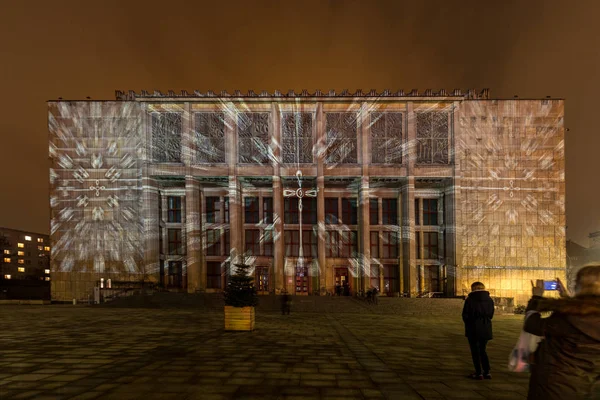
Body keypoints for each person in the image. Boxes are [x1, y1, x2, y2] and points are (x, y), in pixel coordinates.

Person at [524, 266, 600, 400]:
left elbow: (532, 325)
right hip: (590, 384)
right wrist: (566, 298)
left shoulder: (569, 315)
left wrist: (536, 297)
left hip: (557, 383)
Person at [462, 281, 495, 380]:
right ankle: (487, 371)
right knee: (482, 350)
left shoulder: (470, 299)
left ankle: (478, 372)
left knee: (475, 351)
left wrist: (469, 323)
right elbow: (491, 315)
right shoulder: (489, 299)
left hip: (473, 327)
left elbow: (465, 315)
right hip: (486, 327)